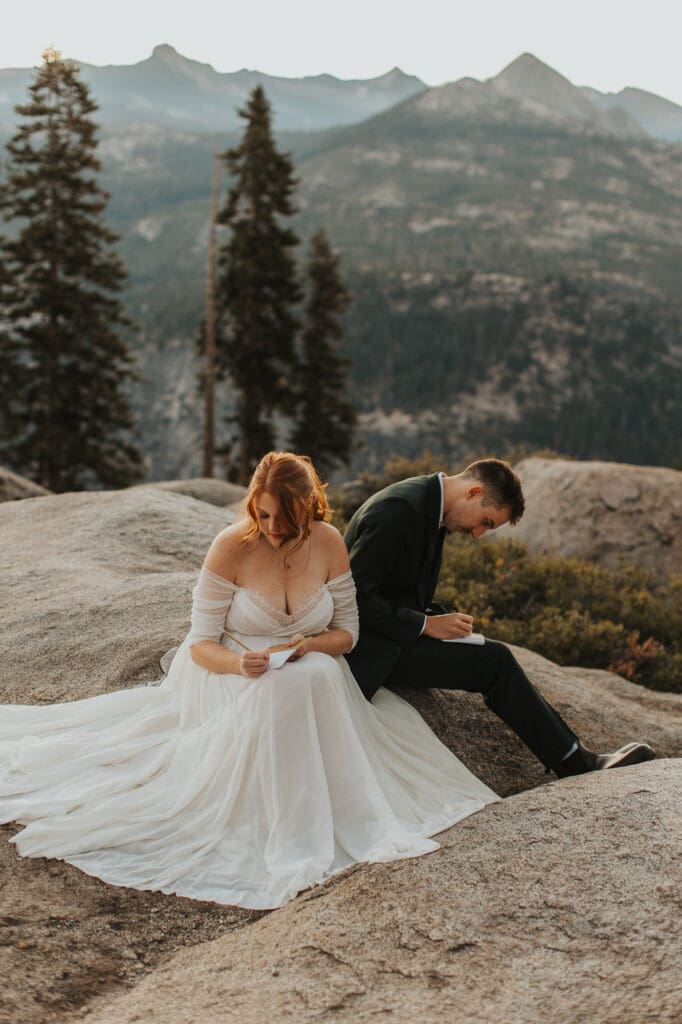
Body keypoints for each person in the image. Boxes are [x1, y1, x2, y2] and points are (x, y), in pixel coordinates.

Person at [0, 452, 498, 911]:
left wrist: (307, 645)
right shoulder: (230, 547)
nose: (274, 528)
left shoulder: (328, 544)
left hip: (303, 665)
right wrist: (241, 665)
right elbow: (199, 644)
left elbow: (347, 634)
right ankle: (286, 831)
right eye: (262, 515)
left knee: (319, 673)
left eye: (285, 517)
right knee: (282, 688)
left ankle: (327, 820)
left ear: (310, 507)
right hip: (229, 671)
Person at [344, 458, 655, 778]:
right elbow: (351, 598)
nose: (478, 534)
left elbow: (395, 588)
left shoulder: (427, 505)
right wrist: (425, 625)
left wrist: (438, 618)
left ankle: (573, 756)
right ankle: (576, 763)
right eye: (487, 522)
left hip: (387, 636)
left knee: (489, 654)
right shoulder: (400, 511)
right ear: (473, 492)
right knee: (495, 661)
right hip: (367, 649)